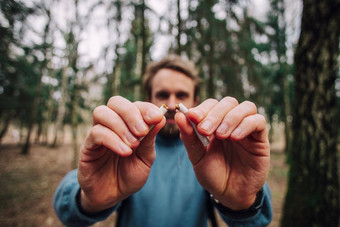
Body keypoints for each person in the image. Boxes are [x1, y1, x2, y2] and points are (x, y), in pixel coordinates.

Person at [53, 55, 272, 226]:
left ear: (195, 100)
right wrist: (90, 201)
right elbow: (67, 210)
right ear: (150, 99)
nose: (172, 104)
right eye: (163, 94)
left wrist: (243, 203)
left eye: (182, 95)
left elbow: (259, 220)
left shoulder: (215, 147)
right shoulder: (126, 145)